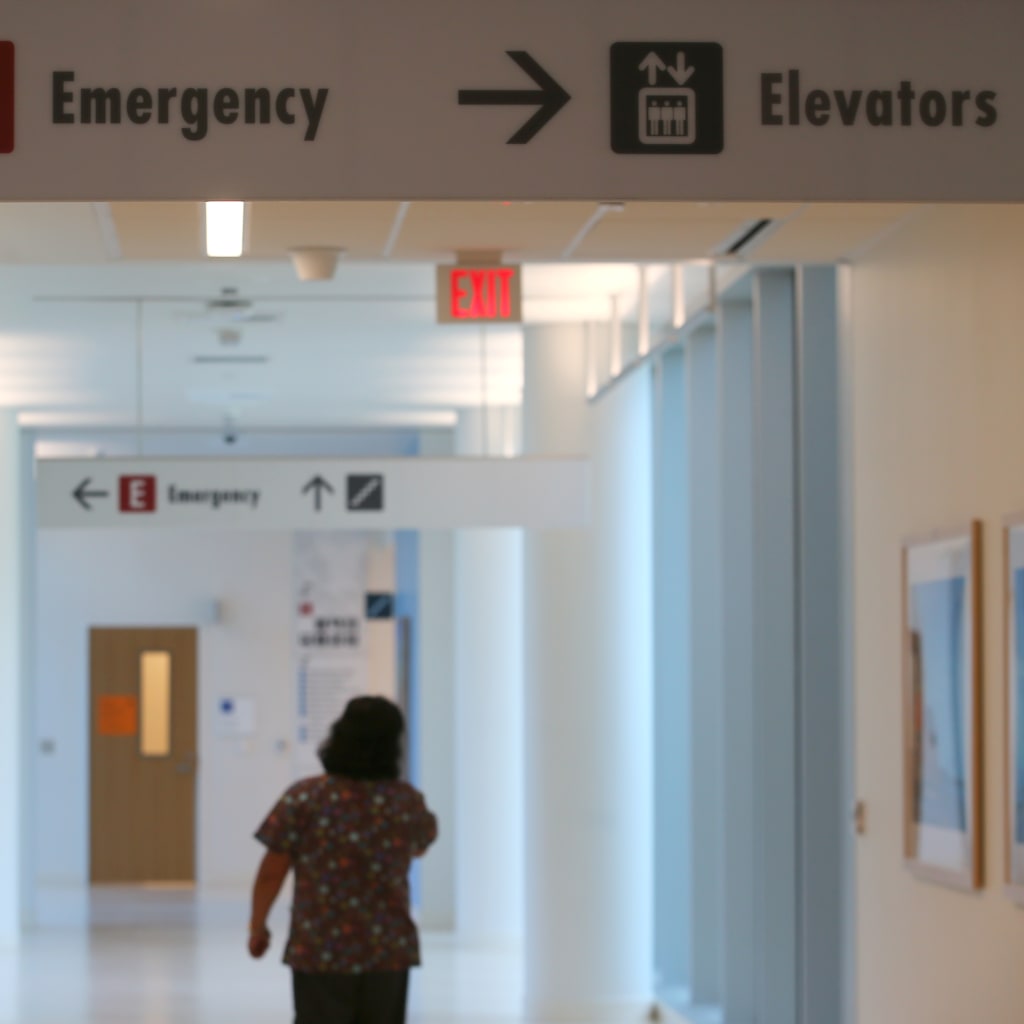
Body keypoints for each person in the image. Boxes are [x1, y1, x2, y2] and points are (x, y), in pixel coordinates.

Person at [248, 696, 438, 1024]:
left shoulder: (305, 797)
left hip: (319, 946)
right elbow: (419, 847)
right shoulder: (406, 801)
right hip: (386, 948)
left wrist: (258, 926)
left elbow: (272, 871)